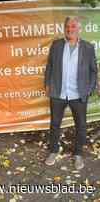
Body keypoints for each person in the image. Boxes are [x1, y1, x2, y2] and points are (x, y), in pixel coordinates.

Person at [44, 16, 98, 170]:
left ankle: (78, 154)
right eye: (67, 26)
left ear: (79, 29)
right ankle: (53, 151)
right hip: (58, 93)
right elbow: (49, 65)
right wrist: (47, 83)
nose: (70, 29)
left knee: (80, 125)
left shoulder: (88, 47)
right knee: (55, 124)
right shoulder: (56, 45)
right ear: (64, 28)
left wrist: (89, 89)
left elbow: (93, 71)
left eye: (73, 26)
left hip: (78, 94)